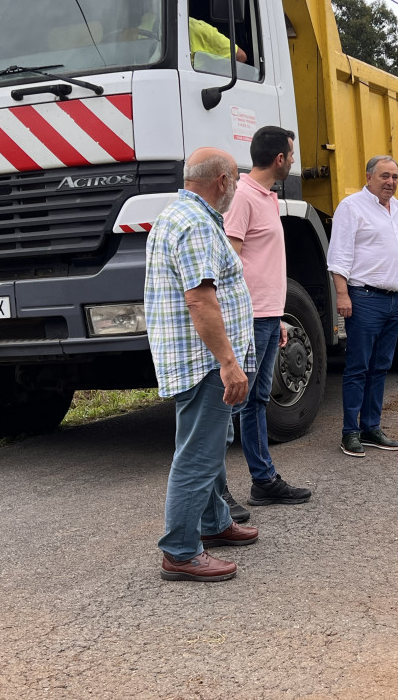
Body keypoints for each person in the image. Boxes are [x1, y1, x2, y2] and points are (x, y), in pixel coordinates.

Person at [145, 147, 259, 582]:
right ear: (223, 182)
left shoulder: (178, 216)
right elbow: (200, 298)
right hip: (204, 361)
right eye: (235, 181)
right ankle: (180, 550)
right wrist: (228, 363)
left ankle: (212, 524)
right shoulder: (196, 225)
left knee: (209, 442)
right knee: (198, 452)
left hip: (197, 357)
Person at [223, 126, 313, 509]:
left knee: (257, 399)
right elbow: (230, 260)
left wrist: (275, 315)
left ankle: (263, 481)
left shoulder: (266, 197)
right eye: (291, 155)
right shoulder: (243, 198)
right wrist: (247, 315)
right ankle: (218, 494)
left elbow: (262, 264)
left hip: (265, 316)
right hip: (248, 317)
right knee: (232, 403)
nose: (292, 161)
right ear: (279, 159)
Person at [327, 155, 398, 457]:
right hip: (364, 299)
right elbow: (338, 256)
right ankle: (350, 432)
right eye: (384, 176)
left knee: (380, 367)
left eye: (394, 177)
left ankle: (371, 428)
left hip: (394, 300)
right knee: (357, 368)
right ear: (368, 177)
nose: (390, 182)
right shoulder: (351, 208)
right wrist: (342, 294)